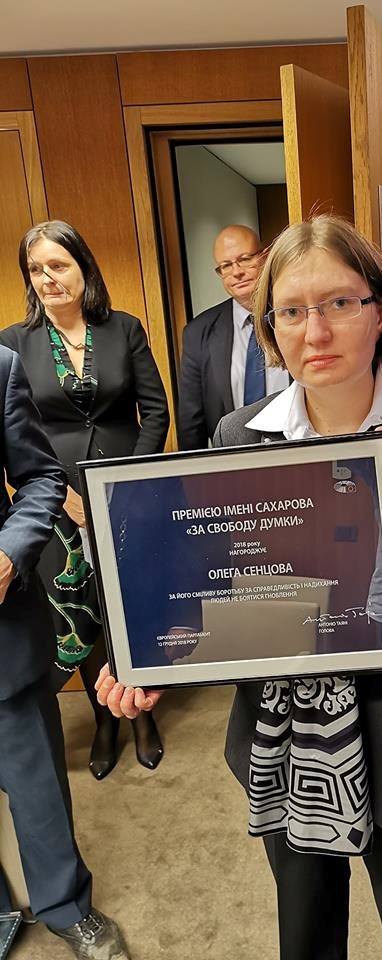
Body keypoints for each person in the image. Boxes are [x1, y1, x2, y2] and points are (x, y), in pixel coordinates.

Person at [98, 214, 382, 960]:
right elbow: (201, 580)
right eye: (292, 311)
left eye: (340, 302)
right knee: (304, 938)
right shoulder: (238, 437)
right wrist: (142, 656)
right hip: (286, 739)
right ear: (270, 330)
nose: (317, 330)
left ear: (380, 310)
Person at [0, 220, 170, 781]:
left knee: (131, 603)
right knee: (80, 606)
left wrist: (124, 482)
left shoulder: (124, 328)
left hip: (129, 496)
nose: (47, 278)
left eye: (58, 265)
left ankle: (141, 713)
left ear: (83, 268)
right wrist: (67, 497)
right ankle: (103, 719)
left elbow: (156, 411)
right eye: (36, 269)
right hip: (57, 503)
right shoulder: (13, 343)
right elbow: (17, 434)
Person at [0, 344, 131, 959]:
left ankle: (65, 906)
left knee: (38, 788)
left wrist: (10, 554)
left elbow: (41, 477)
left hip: (2, 635)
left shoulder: (0, 368)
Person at [176, 224, 289, 450]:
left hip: (300, 450)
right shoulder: (198, 333)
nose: (237, 272)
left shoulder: (295, 315)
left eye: (245, 259)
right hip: (233, 460)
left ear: (265, 256)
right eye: (226, 266)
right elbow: (191, 422)